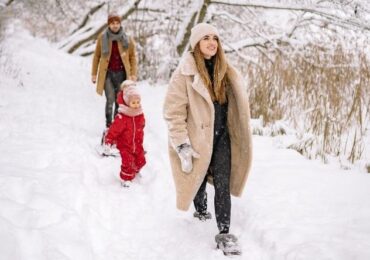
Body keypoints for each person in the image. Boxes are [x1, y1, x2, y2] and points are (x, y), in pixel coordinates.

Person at [163, 23, 252, 255]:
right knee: (198, 181)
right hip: (198, 139)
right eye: (206, 38)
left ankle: (224, 233)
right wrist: (181, 143)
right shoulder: (184, 73)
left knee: (222, 182)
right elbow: (173, 111)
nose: (212, 42)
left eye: (215, 38)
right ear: (196, 43)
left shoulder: (226, 70)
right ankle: (200, 208)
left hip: (222, 137)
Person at [91, 12, 137, 129]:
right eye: (112, 23)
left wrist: (133, 74)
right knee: (110, 99)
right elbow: (97, 56)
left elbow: (132, 57)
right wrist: (94, 73)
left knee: (119, 100)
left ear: (120, 24)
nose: (115, 25)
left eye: (117, 23)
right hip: (107, 74)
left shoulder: (127, 39)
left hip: (122, 74)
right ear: (109, 25)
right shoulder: (102, 38)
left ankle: (116, 125)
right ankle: (108, 124)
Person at [103, 80, 146, 188]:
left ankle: (134, 170)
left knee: (141, 160)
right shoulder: (122, 117)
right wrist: (108, 141)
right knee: (128, 162)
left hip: (137, 144)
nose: (136, 105)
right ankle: (126, 178)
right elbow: (113, 130)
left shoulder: (139, 114)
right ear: (127, 102)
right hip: (125, 145)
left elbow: (142, 125)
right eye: (133, 102)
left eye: (137, 102)